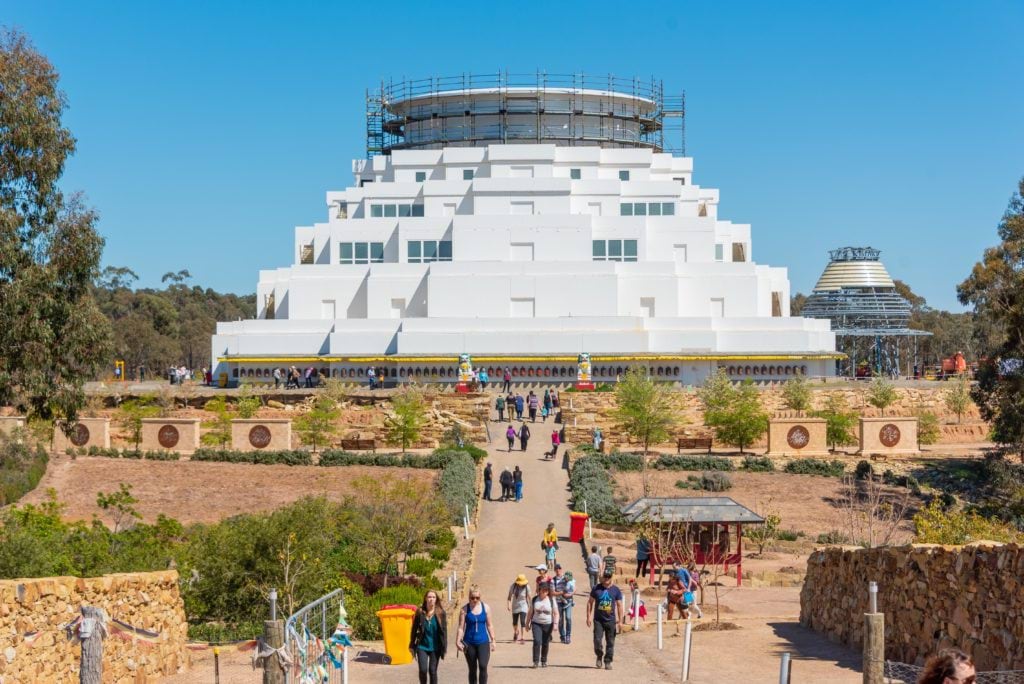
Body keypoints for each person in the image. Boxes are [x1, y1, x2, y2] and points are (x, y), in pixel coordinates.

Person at [456, 586, 494, 684]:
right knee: (472, 669)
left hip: (483, 642)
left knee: (483, 666)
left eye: (477, 598)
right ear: (469, 597)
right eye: (472, 598)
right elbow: (461, 627)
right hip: (469, 643)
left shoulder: (486, 608)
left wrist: (493, 640)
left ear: (480, 597)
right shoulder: (464, 610)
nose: (475, 600)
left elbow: (490, 625)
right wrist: (457, 641)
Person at [587, 570, 624, 670]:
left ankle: (608, 661)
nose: (607, 578)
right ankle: (599, 656)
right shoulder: (596, 588)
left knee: (610, 642)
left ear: (611, 577)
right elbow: (590, 602)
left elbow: (620, 605)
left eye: (608, 576)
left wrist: (620, 621)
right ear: (602, 577)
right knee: (597, 640)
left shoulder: (616, 590)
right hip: (598, 620)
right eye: (605, 576)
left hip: (611, 620)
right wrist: (588, 617)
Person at [409, 589, 447, 684]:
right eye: (429, 597)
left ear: (436, 599)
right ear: (425, 598)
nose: (431, 599)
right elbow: (414, 630)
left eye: (433, 597)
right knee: (423, 670)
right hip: (422, 646)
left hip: (436, 647)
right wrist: (412, 645)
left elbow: (444, 632)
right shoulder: (420, 612)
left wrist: (444, 647)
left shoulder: (440, 613)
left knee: (432, 671)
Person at [527, 581, 559, 668]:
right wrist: (527, 623)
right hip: (536, 623)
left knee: (545, 643)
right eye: (543, 590)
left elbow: (556, 613)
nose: (545, 592)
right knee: (537, 641)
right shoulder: (534, 600)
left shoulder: (552, 600)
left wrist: (555, 624)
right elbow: (530, 612)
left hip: (548, 624)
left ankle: (544, 661)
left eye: (546, 590)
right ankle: (535, 661)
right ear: (539, 590)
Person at [506, 574, 531, 645]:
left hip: (524, 606)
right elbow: (509, 597)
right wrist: (508, 605)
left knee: (523, 621)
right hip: (515, 606)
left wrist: (531, 606)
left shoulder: (527, 587)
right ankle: (516, 632)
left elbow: (529, 598)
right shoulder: (513, 586)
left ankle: (522, 638)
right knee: (514, 623)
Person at [552, 565, 573, 644]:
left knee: (568, 618)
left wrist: (572, 592)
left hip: (568, 601)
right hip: (558, 602)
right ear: (554, 570)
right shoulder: (553, 580)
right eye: (556, 569)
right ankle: (562, 636)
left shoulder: (567, 577)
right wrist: (561, 593)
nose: (558, 570)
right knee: (560, 620)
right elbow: (552, 592)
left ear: (561, 569)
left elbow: (573, 586)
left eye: (559, 569)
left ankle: (568, 635)